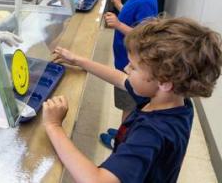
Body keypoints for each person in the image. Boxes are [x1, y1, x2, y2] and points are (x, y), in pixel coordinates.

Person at [47, 17, 221, 182]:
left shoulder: (151, 132)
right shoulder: (173, 99)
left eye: (134, 67)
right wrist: (78, 60)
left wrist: (54, 126)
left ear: (164, 82)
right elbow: (120, 79)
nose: (126, 68)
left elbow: (97, 180)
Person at [102, 0, 171, 147]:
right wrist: (120, 6)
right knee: (126, 103)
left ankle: (121, 140)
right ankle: (125, 131)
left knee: (128, 105)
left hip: (131, 65)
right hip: (123, 60)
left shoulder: (147, 3)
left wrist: (118, 24)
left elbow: (144, 35)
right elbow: (136, 21)